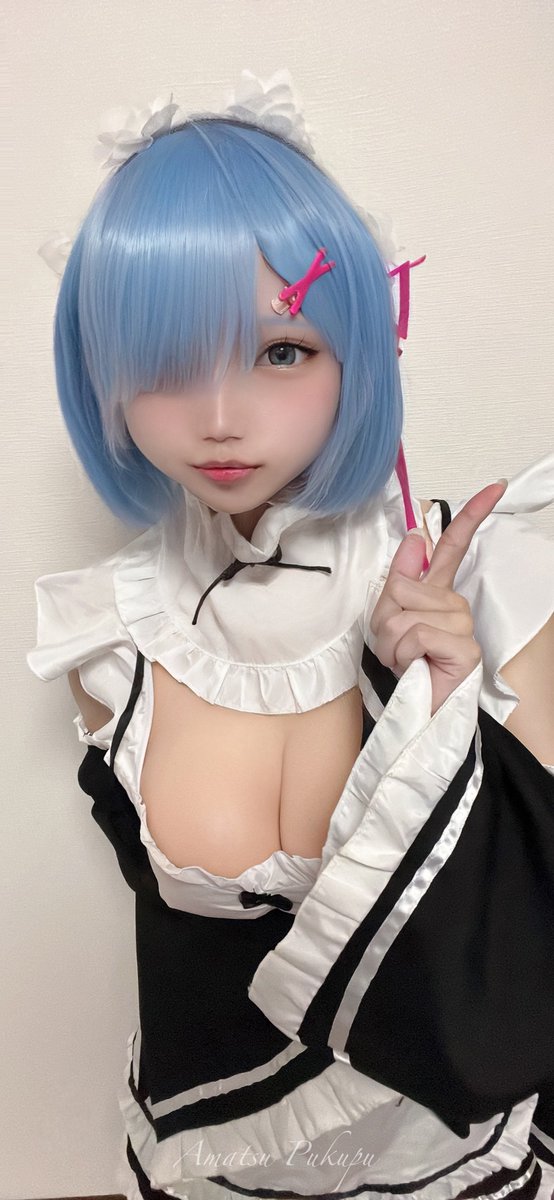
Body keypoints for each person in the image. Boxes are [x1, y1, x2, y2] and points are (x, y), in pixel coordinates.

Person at [26, 70, 554, 1200]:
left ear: (363, 344)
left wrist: (444, 695)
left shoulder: (488, 587)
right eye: (167, 360)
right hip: (205, 1160)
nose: (220, 418)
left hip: (449, 1163)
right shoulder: (111, 638)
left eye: (280, 351)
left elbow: (529, 937)